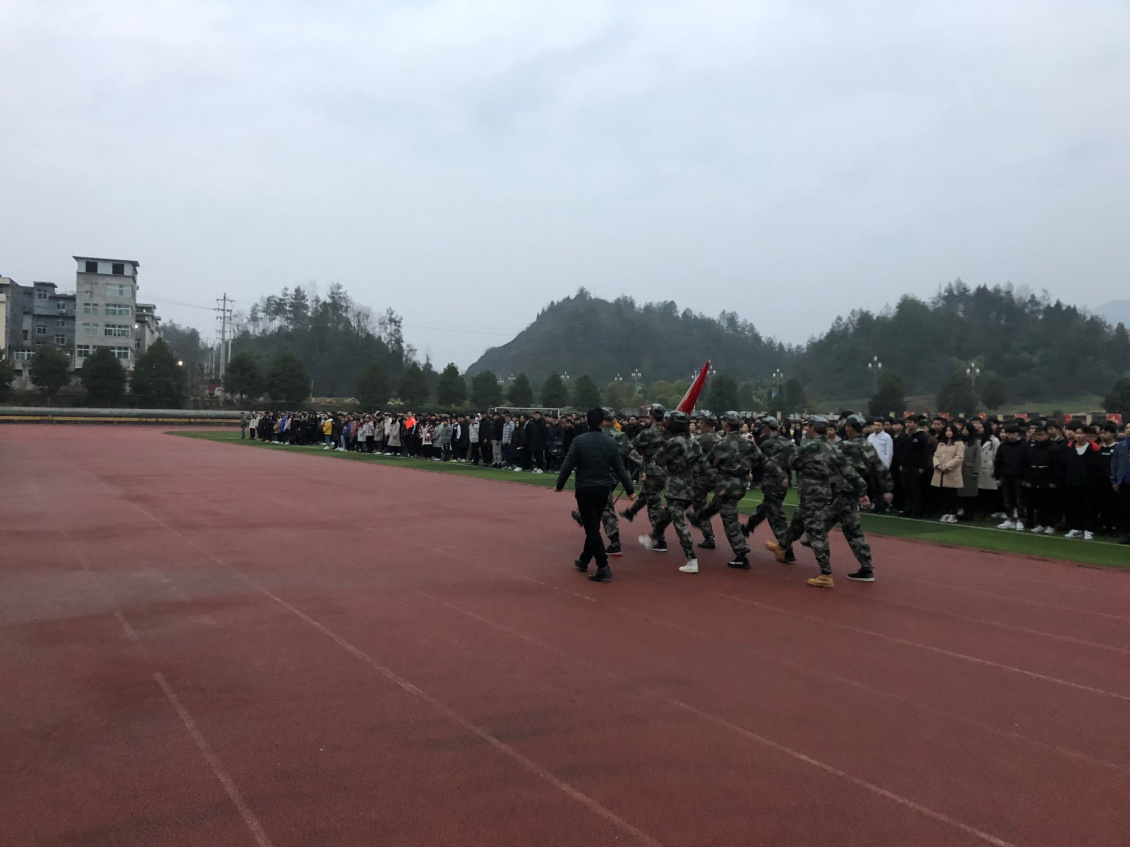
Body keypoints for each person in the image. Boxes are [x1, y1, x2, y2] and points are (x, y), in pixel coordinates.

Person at [766, 415, 869, 588]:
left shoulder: (808, 446)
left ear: (813, 428)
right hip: (824, 490)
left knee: (816, 532)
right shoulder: (833, 448)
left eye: (808, 426)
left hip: (810, 491)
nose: (806, 428)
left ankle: (826, 574)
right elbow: (849, 471)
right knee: (798, 519)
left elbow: (792, 463)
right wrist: (862, 491)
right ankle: (782, 546)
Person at [555, 407, 635, 583]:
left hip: (585, 487)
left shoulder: (579, 440)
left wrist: (560, 484)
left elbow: (568, 464)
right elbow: (620, 468)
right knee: (593, 524)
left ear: (587, 421)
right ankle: (584, 559)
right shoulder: (610, 441)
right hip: (603, 488)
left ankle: (603, 566)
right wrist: (629, 489)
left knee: (591, 528)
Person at [640, 411, 703, 573]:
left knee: (679, 523)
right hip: (691, 485)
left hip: (676, 486)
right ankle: (653, 538)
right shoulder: (694, 442)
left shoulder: (673, 442)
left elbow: (659, 460)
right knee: (665, 516)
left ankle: (691, 559)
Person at [931, 424, 965, 523]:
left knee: (952, 494)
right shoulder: (942, 443)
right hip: (940, 471)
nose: (948, 433)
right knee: (943, 494)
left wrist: (948, 466)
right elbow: (936, 455)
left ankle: (952, 514)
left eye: (950, 431)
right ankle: (945, 512)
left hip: (951, 472)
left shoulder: (959, 443)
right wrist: (937, 465)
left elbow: (959, 457)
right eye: (946, 431)